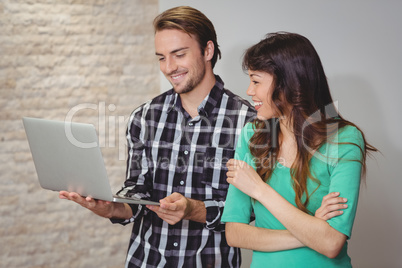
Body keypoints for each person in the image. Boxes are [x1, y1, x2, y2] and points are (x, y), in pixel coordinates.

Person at [58, 8, 346, 268]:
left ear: (207, 50)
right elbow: (138, 191)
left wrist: (193, 209)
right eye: (161, 57)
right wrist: (113, 207)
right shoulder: (144, 117)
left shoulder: (254, 123)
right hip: (145, 260)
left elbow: (258, 213)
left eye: (179, 54)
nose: (169, 67)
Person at [222, 32, 377, 267]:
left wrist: (260, 190)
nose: (249, 91)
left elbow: (332, 244)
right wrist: (312, 230)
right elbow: (235, 233)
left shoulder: (344, 140)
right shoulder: (252, 136)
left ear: (287, 83)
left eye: (256, 81)